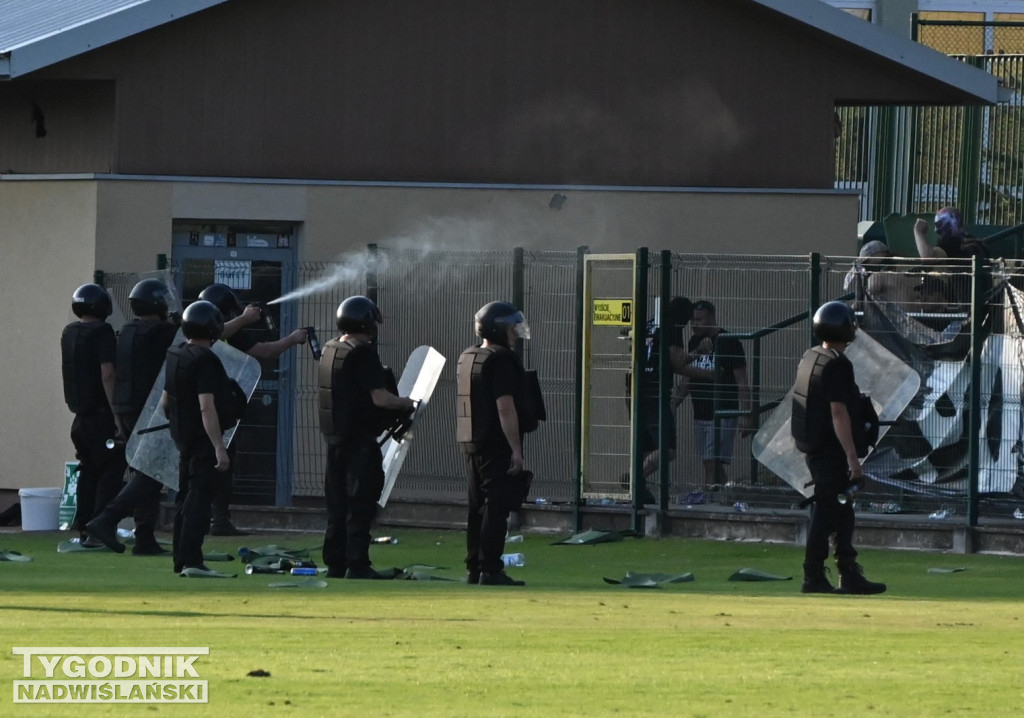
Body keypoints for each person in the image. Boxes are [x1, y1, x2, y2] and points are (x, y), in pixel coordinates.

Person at [197, 283, 308, 536]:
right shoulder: (211, 330)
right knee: (216, 465)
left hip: (212, 406)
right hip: (212, 408)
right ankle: (216, 520)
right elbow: (265, 351)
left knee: (214, 465)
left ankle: (216, 520)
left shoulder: (214, 330)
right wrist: (292, 339)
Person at [791, 301, 886, 595]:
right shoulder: (838, 364)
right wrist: (852, 458)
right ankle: (814, 575)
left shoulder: (812, 356)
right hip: (831, 450)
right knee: (828, 510)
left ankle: (848, 570)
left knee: (842, 510)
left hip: (814, 446)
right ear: (846, 329)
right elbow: (838, 412)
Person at [318, 296, 414, 579]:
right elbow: (381, 398)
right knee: (361, 503)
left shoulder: (331, 349)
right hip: (360, 442)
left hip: (334, 440)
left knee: (337, 506)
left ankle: (335, 563)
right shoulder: (363, 353)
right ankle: (357, 564)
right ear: (367, 323)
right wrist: (407, 403)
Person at [86, 279, 179, 555]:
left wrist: (117, 416)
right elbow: (194, 341)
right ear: (158, 303)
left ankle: (144, 538)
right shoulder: (163, 331)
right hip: (150, 411)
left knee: (143, 470)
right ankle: (106, 519)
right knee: (152, 474)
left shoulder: (126, 330)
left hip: (125, 409)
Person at [456, 301, 543, 586]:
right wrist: (516, 450)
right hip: (496, 443)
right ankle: (491, 569)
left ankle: (474, 567)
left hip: (472, 442)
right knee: (496, 506)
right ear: (499, 329)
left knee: (476, 507)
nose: (515, 334)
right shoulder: (502, 360)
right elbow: (505, 407)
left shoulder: (470, 356)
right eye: (511, 328)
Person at [161, 300, 233, 576]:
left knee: (184, 498)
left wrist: (179, 425)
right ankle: (191, 560)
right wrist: (219, 447)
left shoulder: (176, 354)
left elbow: (167, 401)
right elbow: (207, 406)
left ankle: (182, 558)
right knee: (198, 501)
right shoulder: (205, 360)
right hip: (202, 441)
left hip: (183, 438)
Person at [61, 283, 125, 544]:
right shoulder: (102, 332)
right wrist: (117, 415)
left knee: (88, 470)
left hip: (79, 416)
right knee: (112, 467)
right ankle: (101, 525)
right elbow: (107, 374)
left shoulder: (69, 332)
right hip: (101, 414)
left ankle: (84, 525)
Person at [678, 300, 752, 493]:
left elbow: (742, 381)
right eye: (693, 320)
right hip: (700, 413)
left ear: (712, 317)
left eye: (700, 320)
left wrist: (746, 413)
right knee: (712, 463)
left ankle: (708, 500)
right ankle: (723, 496)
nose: (695, 324)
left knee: (711, 462)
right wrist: (674, 403)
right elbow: (688, 376)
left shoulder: (729, 341)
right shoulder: (695, 342)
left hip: (721, 413)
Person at [628, 297, 692, 501]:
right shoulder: (672, 326)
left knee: (647, 446)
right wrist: (707, 371)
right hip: (656, 391)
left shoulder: (649, 324)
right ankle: (635, 479)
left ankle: (640, 490)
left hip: (636, 387)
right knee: (668, 448)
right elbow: (678, 363)